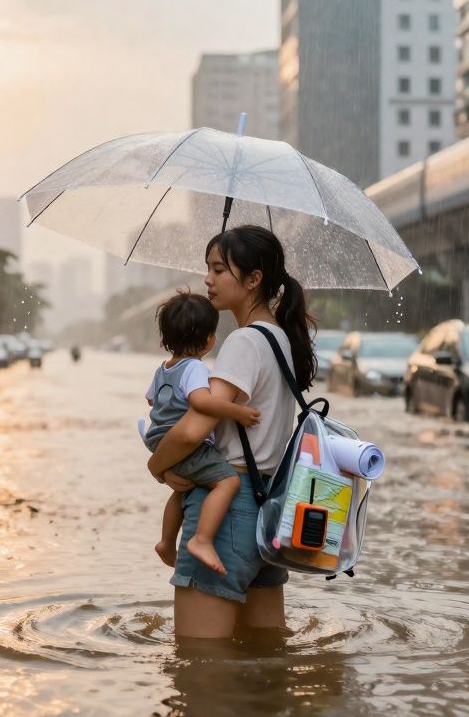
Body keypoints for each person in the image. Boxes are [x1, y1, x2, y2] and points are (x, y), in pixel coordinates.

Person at [147, 225, 317, 640]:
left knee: (200, 667)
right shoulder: (281, 339)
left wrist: (157, 467)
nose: (208, 279)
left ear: (253, 279)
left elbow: (192, 430)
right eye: (208, 268)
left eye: (219, 269)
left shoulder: (243, 342)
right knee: (265, 652)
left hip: (226, 513)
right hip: (270, 509)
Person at [143, 290, 261, 575]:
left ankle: (166, 541)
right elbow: (201, 402)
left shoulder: (164, 368)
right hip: (184, 443)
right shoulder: (195, 367)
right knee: (228, 483)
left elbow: (151, 400)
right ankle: (202, 539)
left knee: (183, 490)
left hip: (159, 440)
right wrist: (238, 412)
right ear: (210, 338)